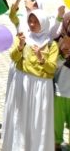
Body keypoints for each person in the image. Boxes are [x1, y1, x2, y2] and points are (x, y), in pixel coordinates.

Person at [2, 10, 58, 151]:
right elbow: (13, 57)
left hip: (41, 86)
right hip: (23, 82)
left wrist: (41, 58)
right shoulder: (23, 37)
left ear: (44, 24)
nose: (32, 24)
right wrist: (20, 46)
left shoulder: (51, 45)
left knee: (37, 120)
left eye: (36, 22)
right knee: (21, 117)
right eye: (30, 21)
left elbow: (52, 69)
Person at [54, 12, 70, 151]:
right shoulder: (59, 41)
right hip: (60, 91)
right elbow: (52, 65)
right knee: (55, 134)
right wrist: (63, 55)